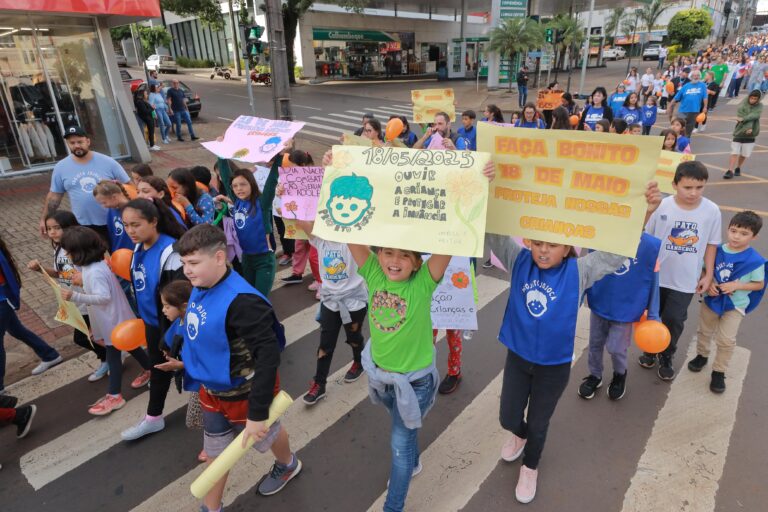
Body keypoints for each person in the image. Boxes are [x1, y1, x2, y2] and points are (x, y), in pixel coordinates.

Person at [489, 182, 661, 504]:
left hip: (552, 366)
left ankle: (531, 466)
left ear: (568, 247)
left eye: (552, 245)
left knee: (539, 422)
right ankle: (519, 434)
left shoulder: (580, 271)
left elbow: (616, 253)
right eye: (537, 242)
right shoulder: (519, 261)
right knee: (508, 417)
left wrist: (646, 211)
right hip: (518, 357)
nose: (543, 250)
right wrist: (487, 187)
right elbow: (494, 234)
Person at [166, 225, 302, 508]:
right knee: (217, 455)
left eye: (193, 263)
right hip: (212, 391)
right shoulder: (201, 285)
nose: (186, 271)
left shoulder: (245, 303)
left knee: (270, 433)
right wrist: (185, 361)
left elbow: (268, 358)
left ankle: (288, 463)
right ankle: (211, 508)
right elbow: (203, 331)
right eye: (183, 264)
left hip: (245, 394)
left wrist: (257, 412)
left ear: (218, 257)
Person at [640, 161, 722, 381]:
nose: (693, 193)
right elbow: (645, 235)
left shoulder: (712, 210)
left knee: (674, 319)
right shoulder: (662, 206)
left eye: (699, 187)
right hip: (656, 276)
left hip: (686, 280)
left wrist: (708, 274)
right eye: (687, 187)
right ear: (675, 184)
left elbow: (712, 244)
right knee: (652, 317)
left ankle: (667, 354)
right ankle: (650, 348)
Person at [60, 227, 152, 415]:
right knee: (131, 346)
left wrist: (75, 296)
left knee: (113, 354)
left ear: (80, 252)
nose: (67, 255)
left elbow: (103, 297)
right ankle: (152, 369)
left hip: (113, 318)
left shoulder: (94, 272)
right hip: (111, 317)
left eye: (70, 251)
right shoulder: (93, 265)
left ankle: (115, 395)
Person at [120, 198, 187, 441]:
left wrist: (171, 335)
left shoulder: (171, 253)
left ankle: (220, 426)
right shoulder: (138, 248)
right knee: (158, 369)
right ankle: (153, 418)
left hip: (171, 326)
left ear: (154, 221)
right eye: (126, 225)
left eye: (136, 225)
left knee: (196, 370)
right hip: (152, 324)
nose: (130, 231)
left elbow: (178, 298)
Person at [688, 211, 766, 393]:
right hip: (711, 300)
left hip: (735, 305)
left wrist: (737, 285)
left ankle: (719, 371)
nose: (736, 236)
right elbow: (704, 270)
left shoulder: (754, 260)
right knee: (704, 331)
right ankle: (702, 355)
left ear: (754, 237)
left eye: (744, 233)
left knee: (726, 340)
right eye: (733, 230)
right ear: (728, 229)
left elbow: (759, 284)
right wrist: (710, 283)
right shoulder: (716, 251)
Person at [579, 233, 662, 400]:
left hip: (626, 307)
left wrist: (653, 314)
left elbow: (653, 279)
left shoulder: (650, 246)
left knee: (617, 348)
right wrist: (578, 299)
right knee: (595, 343)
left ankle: (619, 374)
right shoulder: (601, 235)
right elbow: (587, 269)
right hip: (601, 300)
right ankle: (595, 375)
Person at [294, 218, 368, 404]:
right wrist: (287, 199)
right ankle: (319, 384)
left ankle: (359, 362)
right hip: (330, 302)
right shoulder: (320, 240)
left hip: (354, 302)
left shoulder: (355, 242)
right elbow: (301, 219)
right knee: (325, 344)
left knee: (354, 337)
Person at [28, 211, 100, 378]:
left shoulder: (77, 249)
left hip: (87, 301)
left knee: (84, 338)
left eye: (57, 228)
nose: (52, 232)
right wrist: (41, 269)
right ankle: (109, 358)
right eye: (49, 228)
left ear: (69, 227)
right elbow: (62, 274)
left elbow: (89, 276)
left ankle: (111, 357)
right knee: (89, 337)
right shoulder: (59, 250)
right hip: (75, 302)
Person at [40, 126, 131, 240]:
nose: (76, 145)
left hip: (114, 221)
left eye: (80, 141)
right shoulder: (61, 167)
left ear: (88, 141)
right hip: (82, 225)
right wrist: (44, 219)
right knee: (91, 256)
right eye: (72, 143)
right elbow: (54, 197)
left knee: (119, 255)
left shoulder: (108, 162)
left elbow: (129, 186)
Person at [1, 233, 62, 394]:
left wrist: (12, 300)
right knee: (16, 330)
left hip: (2, 303)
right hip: (3, 302)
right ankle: (50, 355)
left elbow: (8, 280)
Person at [214, 158, 279, 296]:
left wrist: (279, 157)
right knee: (249, 297)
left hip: (264, 260)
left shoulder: (263, 203)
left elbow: (272, 180)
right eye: (235, 186)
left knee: (260, 299)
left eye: (243, 184)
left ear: (252, 184)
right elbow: (226, 178)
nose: (239, 189)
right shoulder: (237, 201)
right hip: (247, 259)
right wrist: (221, 154)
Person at [279, 151, 323, 295]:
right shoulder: (292, 178)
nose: (290, 170)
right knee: (299, 247)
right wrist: (281, 192)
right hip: (300, 220)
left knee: (314, 255)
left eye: (293, 167)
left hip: (314, 223)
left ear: (303, 165)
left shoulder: (316, 178)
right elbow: (287, 196)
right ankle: (297, 274)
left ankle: (321, 282)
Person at [724, 89, 763, 179]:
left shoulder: (760, 106)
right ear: (749, 97)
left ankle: (738, 167)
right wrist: (747, 127)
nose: (752, 100)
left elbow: (755, 116)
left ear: (758, 99)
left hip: (751, 133)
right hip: (739, 132)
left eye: (755, 99)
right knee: (734, 152)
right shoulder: (743, 105)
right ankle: (730, 170)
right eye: (751, 98)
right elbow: (740, 115)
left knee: (744, 154)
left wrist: (748, 126)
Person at [669, 69, 708, 138]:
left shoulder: (702, 85)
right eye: (694, 75)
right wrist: (670, 105)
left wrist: (705, 107)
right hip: (682, 110)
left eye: (698, 75)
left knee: (689, 129)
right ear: (691, 76)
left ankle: (686, 143)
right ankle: (677, 141)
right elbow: (677, 97)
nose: (696, 77)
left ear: (700, 77)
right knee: (679, 127)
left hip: (694, 111)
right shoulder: (686, 86)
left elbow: (705, 97)